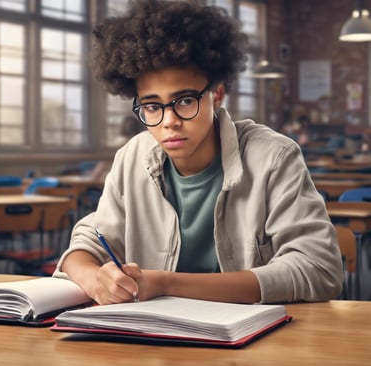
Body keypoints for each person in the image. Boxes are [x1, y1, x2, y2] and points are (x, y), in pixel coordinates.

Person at [54, 0, 342, 305]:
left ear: (216, 94)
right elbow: (89, 242)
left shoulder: (274, 157)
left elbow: (318, 268)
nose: (169, 122)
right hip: (152, 341)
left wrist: (166, 283)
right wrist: (94, 279)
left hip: (251, 342)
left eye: (185, 101)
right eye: (152, 106)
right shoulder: (132, 157)